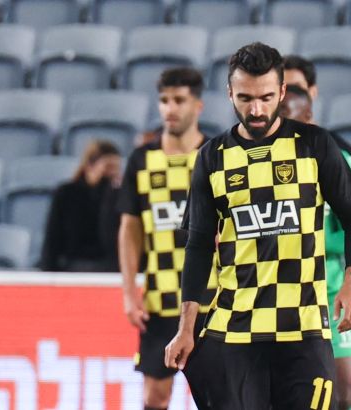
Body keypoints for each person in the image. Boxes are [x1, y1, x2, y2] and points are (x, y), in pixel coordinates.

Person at [164, 42, 351, 410]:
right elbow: (198, 246)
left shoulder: (315, 146)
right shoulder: (212, 157)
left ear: (282, 92)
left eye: (265, 98)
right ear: (230, 92)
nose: (256, 110)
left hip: (304, 327)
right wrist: (185, 327)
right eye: (245, 98)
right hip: (236, 329)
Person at [118, 67, 217, 410]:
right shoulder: (142, 160)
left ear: (198, 105)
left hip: (211, 299)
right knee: (154, 397)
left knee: (219, 396)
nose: (170, 109)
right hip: (161, 299)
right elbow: (130, 229)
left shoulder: (214, 155)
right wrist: (129, 292)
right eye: (164, 100)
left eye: (179, 100)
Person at [280, 84, 351, 410]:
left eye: (287, 114)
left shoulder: (338, 159)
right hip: (281, 295)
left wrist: (350, 283)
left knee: (343, 394)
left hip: (328, 289)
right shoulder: (263, 162)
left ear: (308, 116)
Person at [40, 140, 121, 272]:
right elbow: (52, 237)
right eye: (108, 167)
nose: (113, 173)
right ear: (89, 165)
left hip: (110, 265)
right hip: (75, 263)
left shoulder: (119, 196)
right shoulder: (67, 193)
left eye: (116, 168)